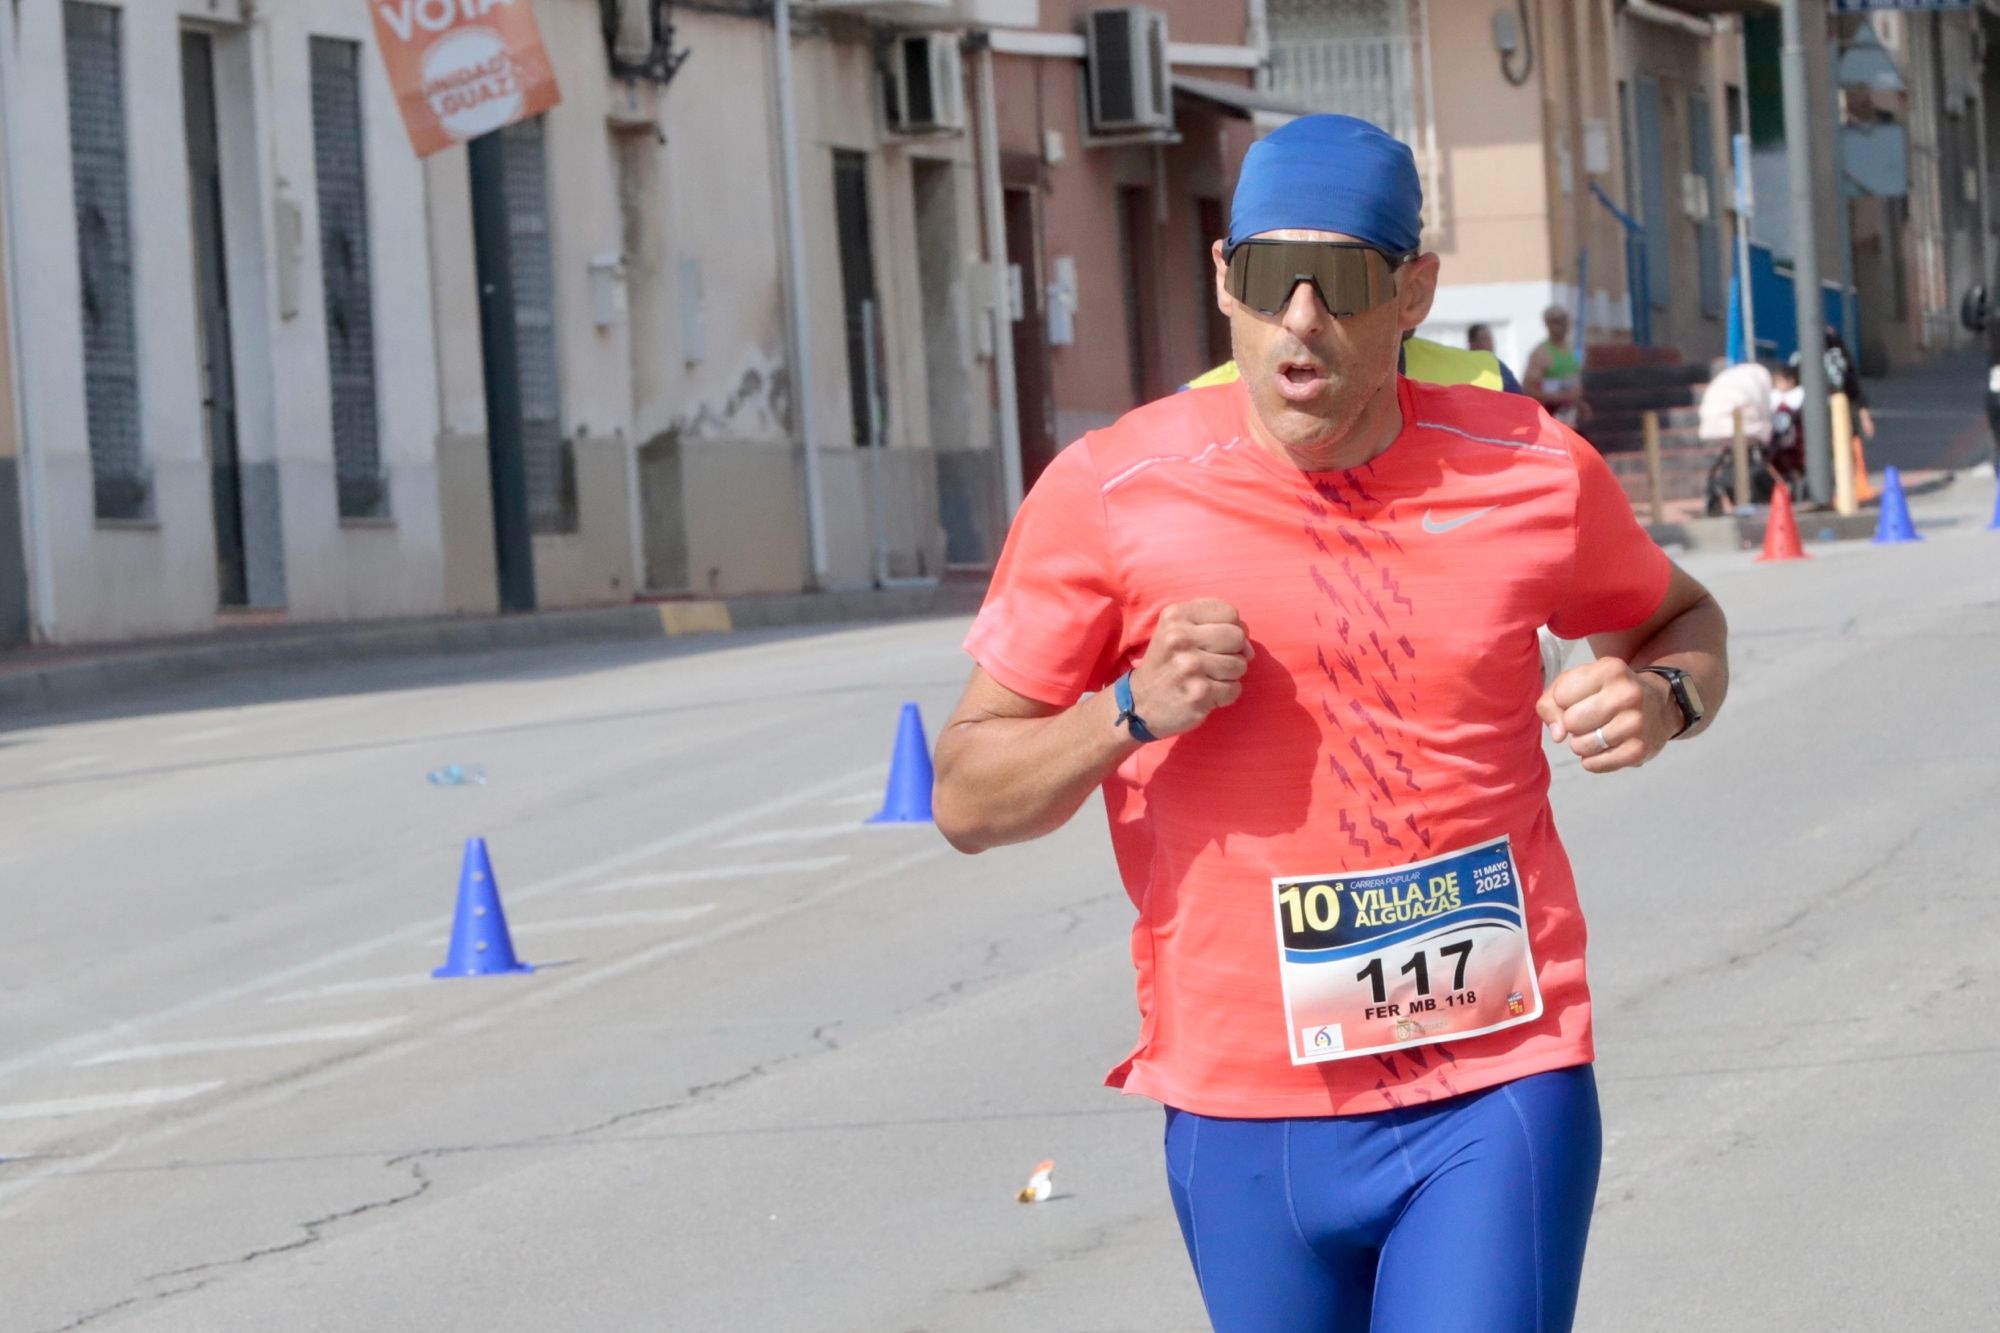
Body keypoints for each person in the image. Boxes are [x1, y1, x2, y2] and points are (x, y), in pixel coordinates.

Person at [934, 114, 1729, 1333]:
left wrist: (1662, 697)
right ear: (1222, 282)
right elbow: (966, 799)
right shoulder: (1110, 493)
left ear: (1411, 290)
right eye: (1264, 276)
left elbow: (1682, 617)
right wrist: (1126, 712)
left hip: (1495, 1080)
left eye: (1343, 279)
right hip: (1243, 1110)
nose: (1298, 318)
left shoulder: (1526, 468)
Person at [1524, 303, 1585, 427]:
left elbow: (1576, 379)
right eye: (1556, 321)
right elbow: (1529, 388)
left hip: (1571, 415)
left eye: (1564, 320)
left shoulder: (1572, 349)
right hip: (1551, 414)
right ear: (1547, 324)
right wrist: (1558, 398)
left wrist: (1579, 401)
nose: (1562, 325)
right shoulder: (1540, 353)